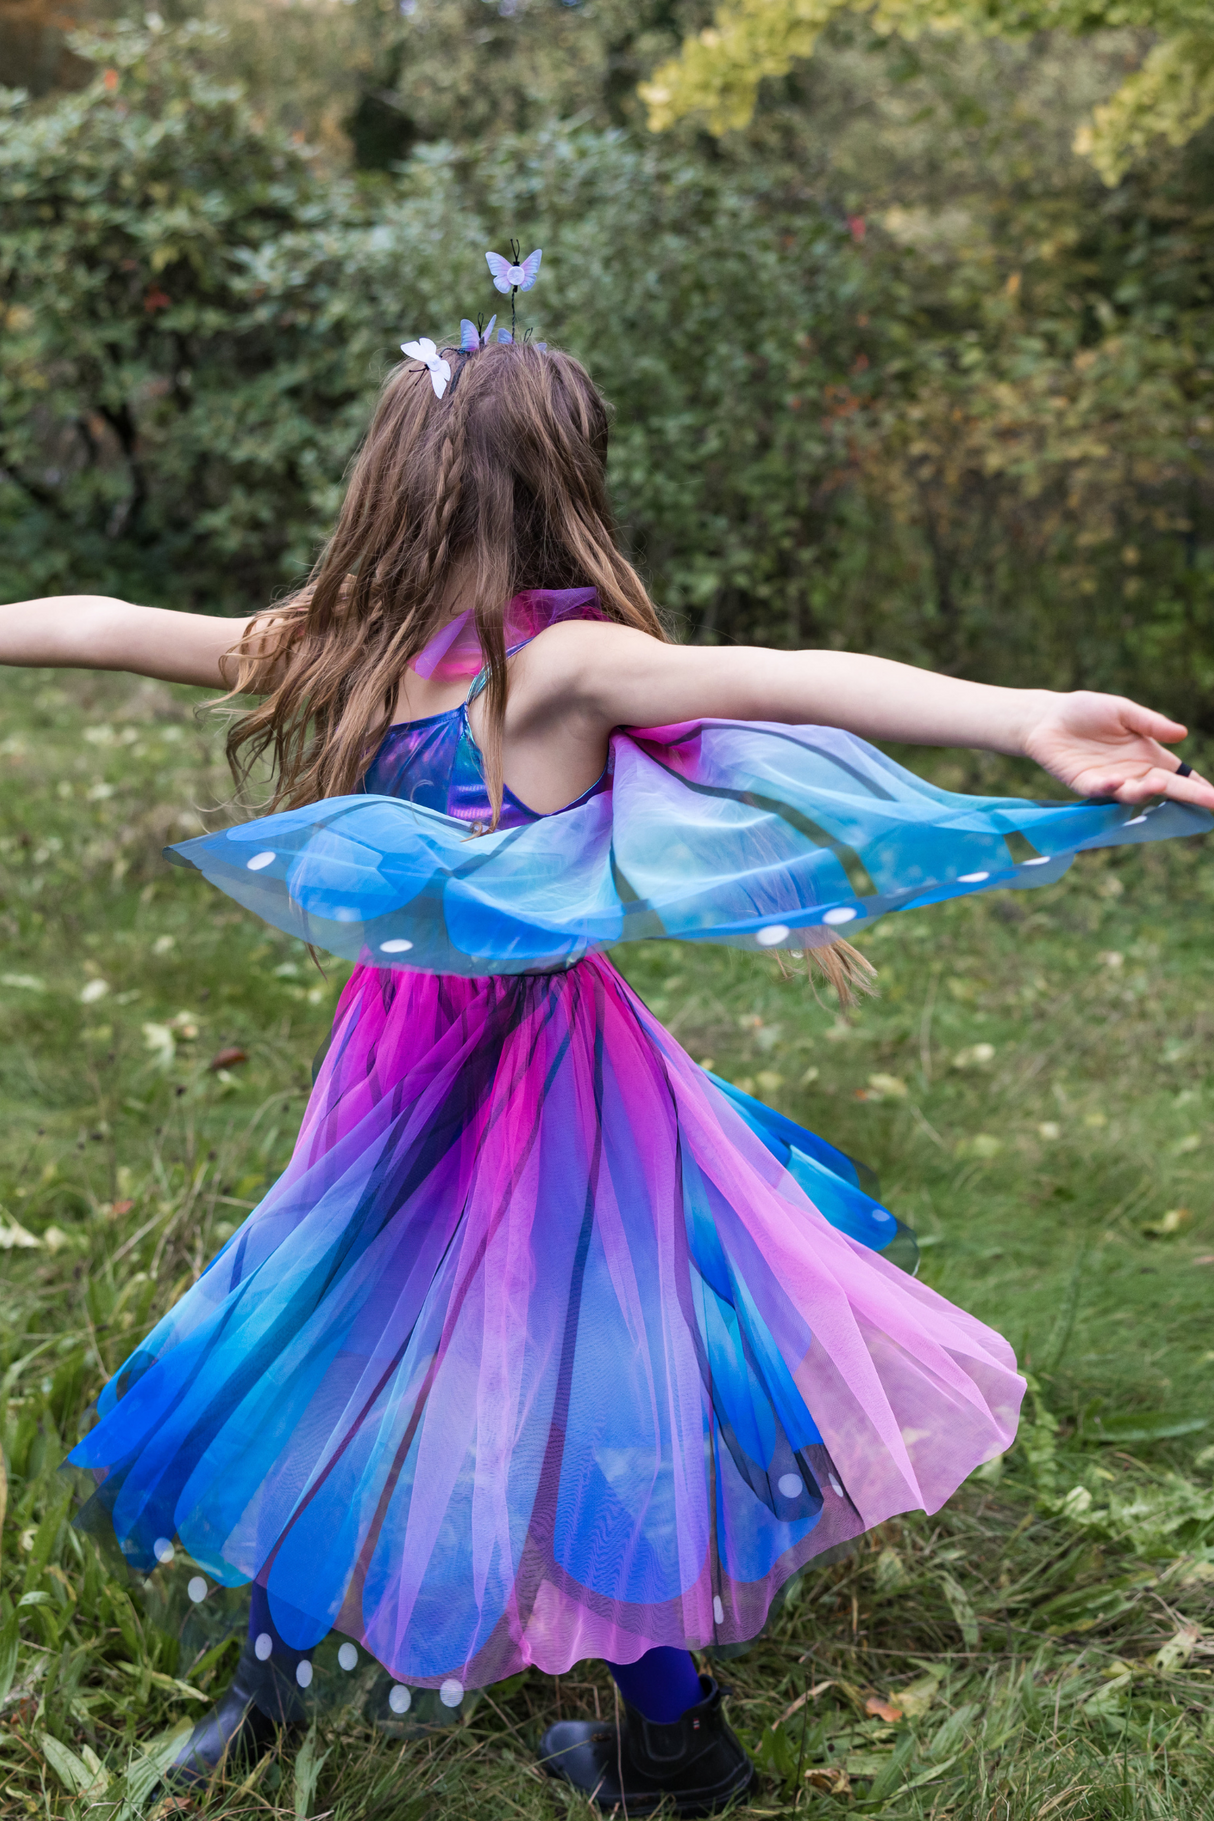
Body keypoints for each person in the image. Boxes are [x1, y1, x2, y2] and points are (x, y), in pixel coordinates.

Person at [3, 332, 1211, 1817]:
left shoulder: (556, 662)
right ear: (565, 481)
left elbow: (797, 678)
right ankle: (337, 1691)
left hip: (545, 1085)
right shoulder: (341, 644)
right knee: (344, 1335)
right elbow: (106, 620)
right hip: (403, 1072)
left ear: (391, 476)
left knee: (561, 1375)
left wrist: (1019, 718)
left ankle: (662, 1738)